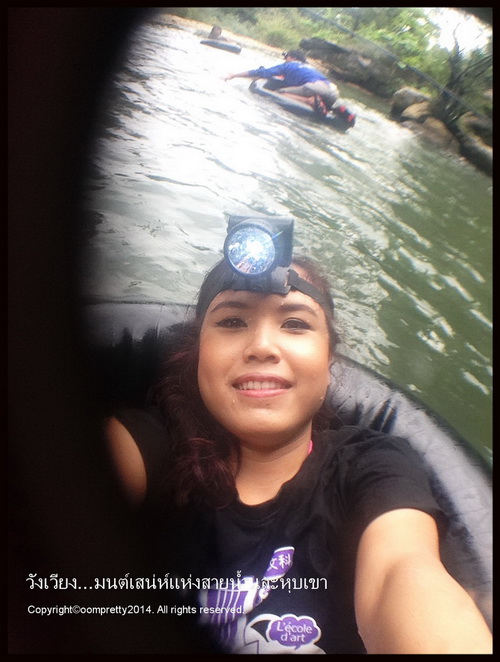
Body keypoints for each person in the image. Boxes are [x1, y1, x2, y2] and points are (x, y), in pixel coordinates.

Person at [105, 216, 492, 654]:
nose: (262, 346)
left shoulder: (373, 470)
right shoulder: (151, 444)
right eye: (232, 322)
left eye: (295, 324)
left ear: (329, 357)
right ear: (199, 352)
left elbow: (400, 572)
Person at [225, 49, 339, 117]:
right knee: (303, 91)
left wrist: (234, 75)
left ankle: (309, 101)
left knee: (280, 93)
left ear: (292, 58)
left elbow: (262, 72)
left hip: (314, 88)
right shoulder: (310, 68)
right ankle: (327, 106)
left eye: (286, 57)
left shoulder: (289, 65)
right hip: (333, 92)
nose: (285, 60)